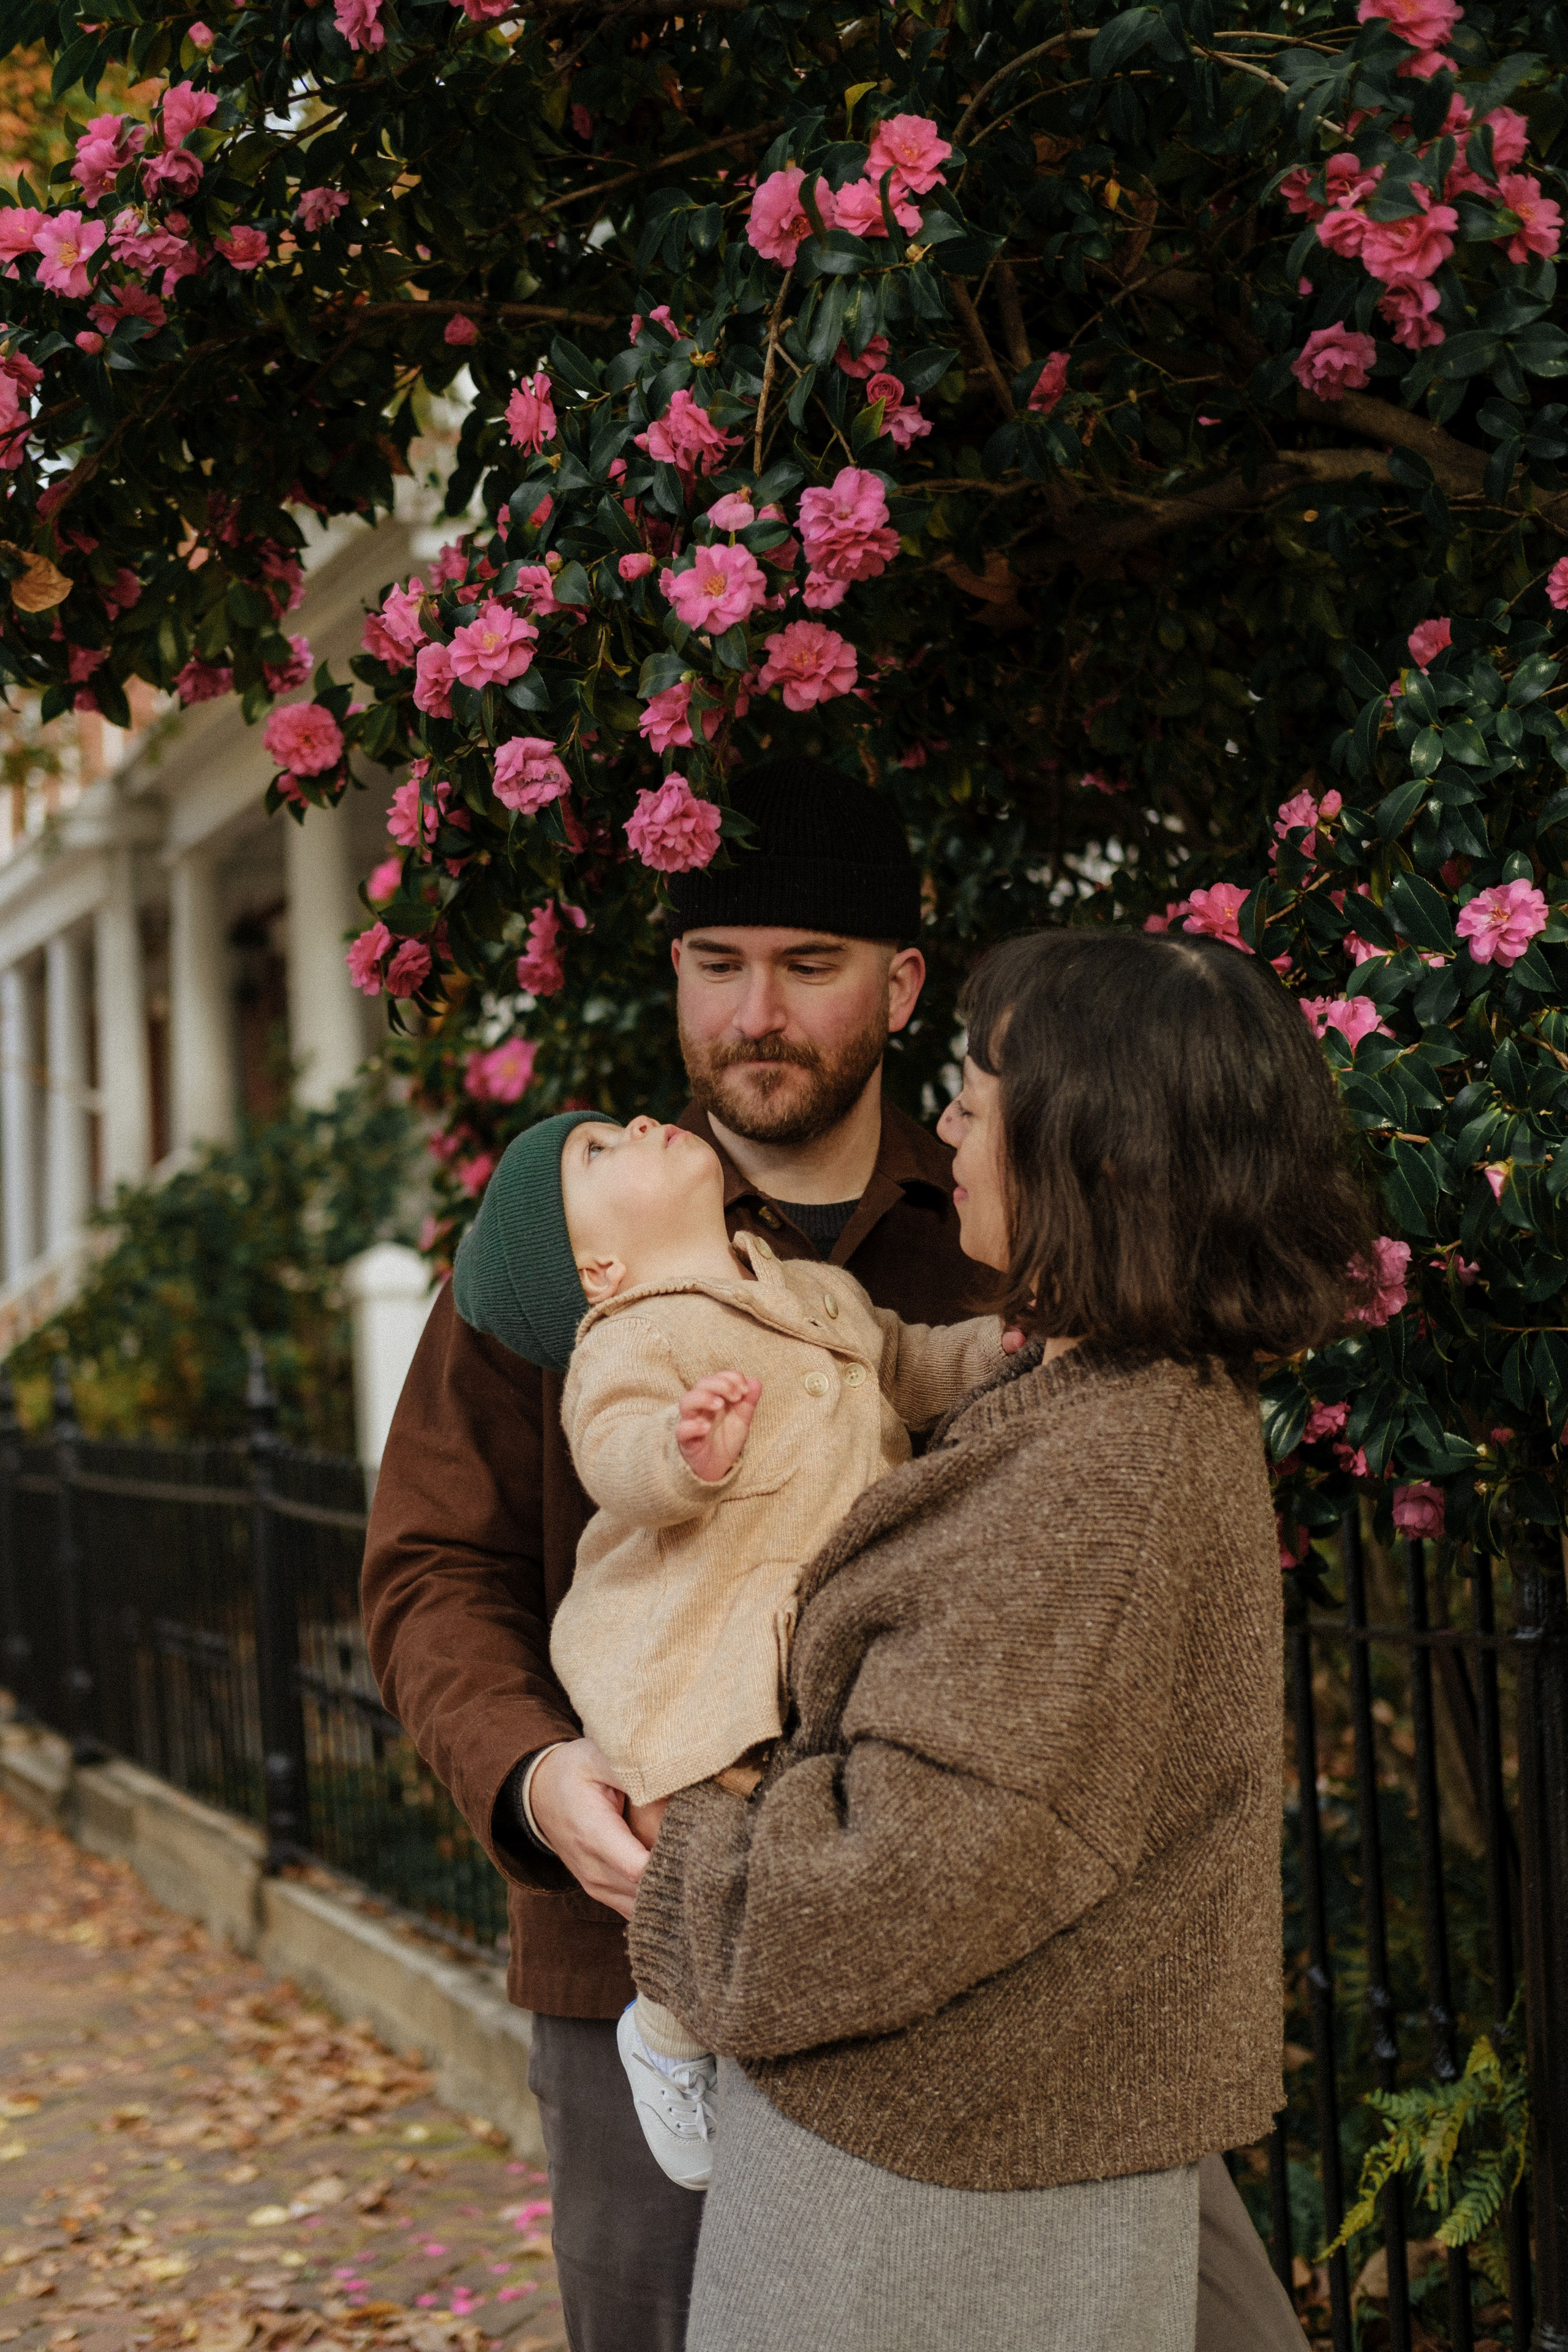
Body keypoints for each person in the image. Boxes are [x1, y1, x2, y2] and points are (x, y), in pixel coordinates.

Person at [361, 758, 1311, 2352]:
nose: (756, 1012)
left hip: (993, 2007)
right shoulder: (565, 1239)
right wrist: (535, 1784)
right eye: (715, 963)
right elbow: (428, 1572)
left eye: (808, 965)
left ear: (900, 981)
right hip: (640, 1947)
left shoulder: (1020, 1221)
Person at [627, 925, 1375, 2352]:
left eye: (976, 1093)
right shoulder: (1103, 1404)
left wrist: (686, 1846)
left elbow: (901, 1879)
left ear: (1094, 1155)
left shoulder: (1107, 1482)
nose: (948, 1123)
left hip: (939, 2195)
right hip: (954, 2156)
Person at [447, 1103, 1006, 2187]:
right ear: (599, 1267)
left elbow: (909, 1364)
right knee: (712, 1846)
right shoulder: (628, 1337)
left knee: (814, 1842)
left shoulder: (811, 1293)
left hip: (825, 1650)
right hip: (696, 1661)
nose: (636, 1122)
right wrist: (683, 1449)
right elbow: (611, 1452)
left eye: (607, 1127)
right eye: (597, 1156)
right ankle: (666, 2033)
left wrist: (1001, 1347)